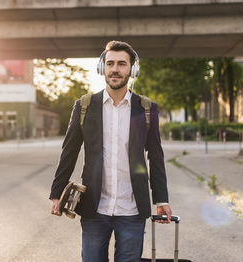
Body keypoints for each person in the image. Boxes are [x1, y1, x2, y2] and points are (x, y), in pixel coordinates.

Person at [49, 40, 172, 262]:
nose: (115, 69)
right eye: (110, 63)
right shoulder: (84, 106)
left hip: (133, 211)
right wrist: (57, 193)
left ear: (132, 70)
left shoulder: (147, 109)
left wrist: (161, 199)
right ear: (102, 68)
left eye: (122, 64)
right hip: (94, 209)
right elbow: (69, 152)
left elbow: (156, 156)